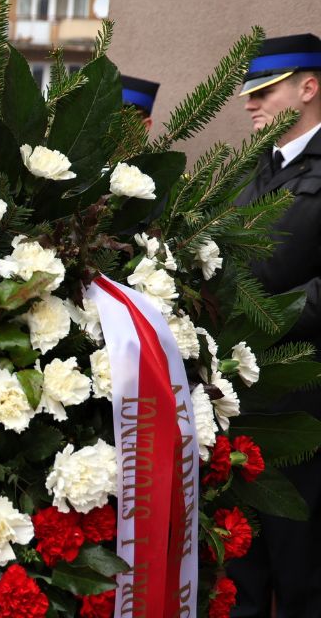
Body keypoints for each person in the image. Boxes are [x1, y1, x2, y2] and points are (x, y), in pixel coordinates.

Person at [229, 32, 321, 618]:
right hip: (245, 397)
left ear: (309, 88)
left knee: (303, 572)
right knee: (239, 567)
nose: (249, 103)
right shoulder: (250, 170)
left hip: (309, 397)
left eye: (265, 90)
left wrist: (270, 319)